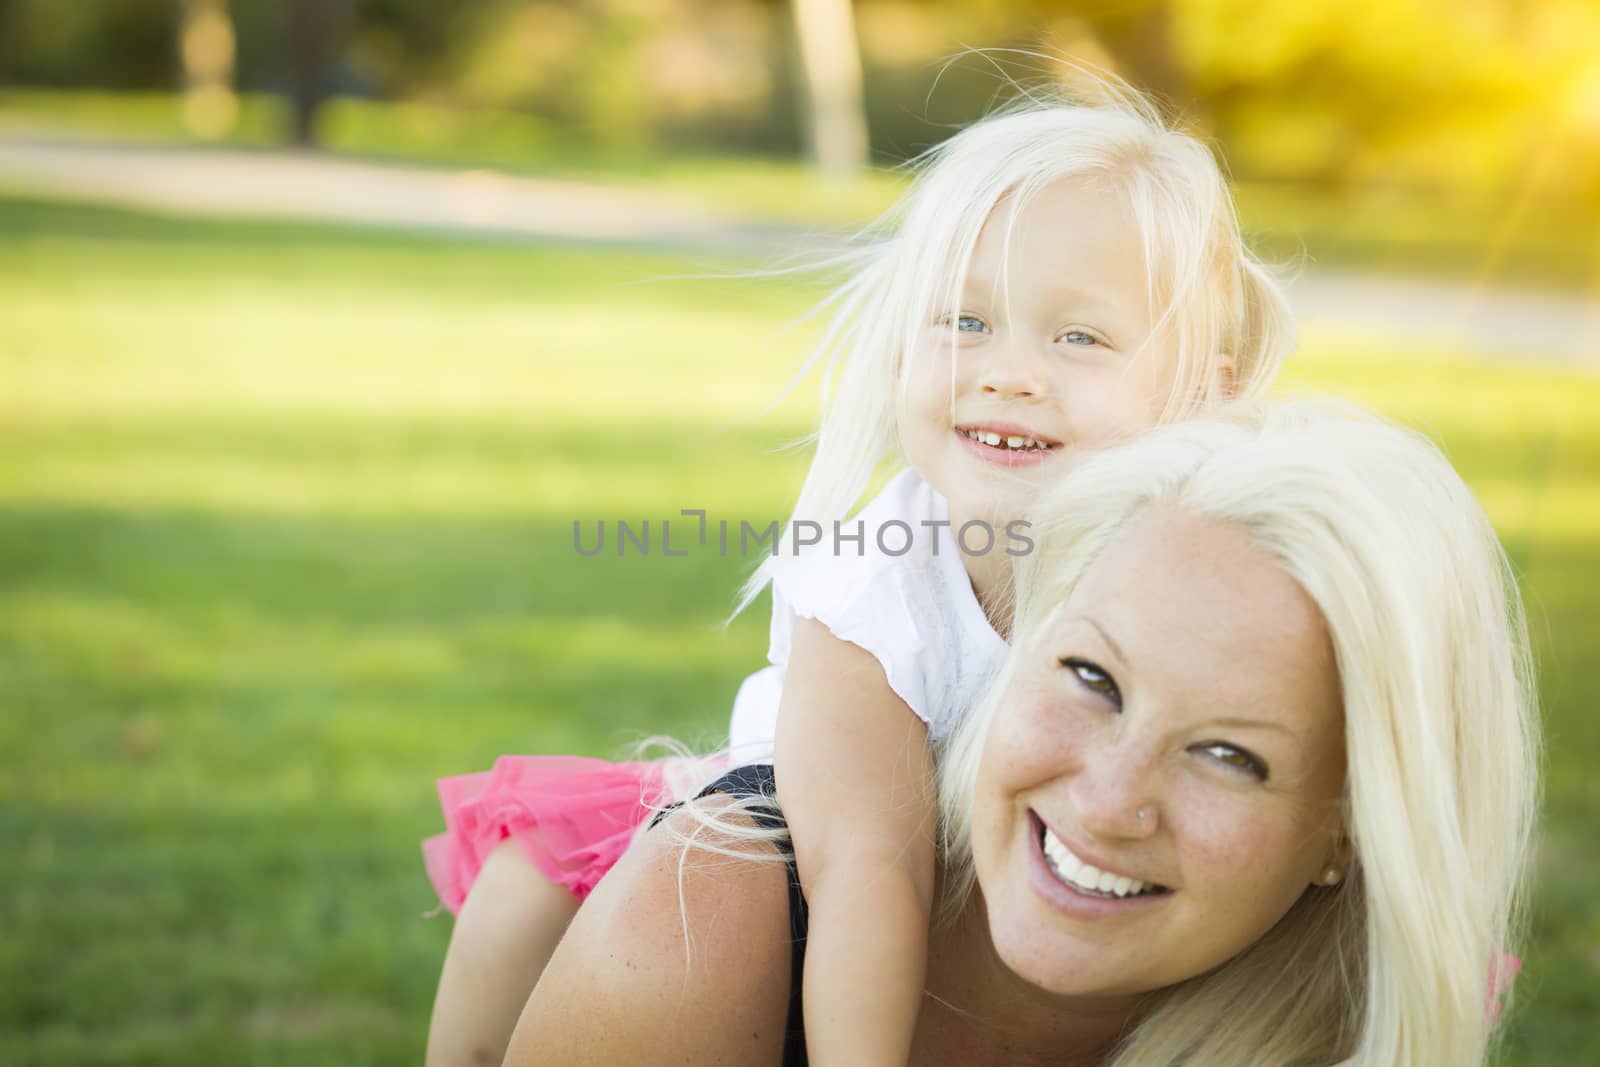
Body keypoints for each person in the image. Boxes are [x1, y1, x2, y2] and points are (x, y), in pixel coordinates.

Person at [423, 76, 1296, 1067]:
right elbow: (863, 868)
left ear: (1202, 393)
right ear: (896, 355)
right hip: (804, 844)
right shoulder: (871, 577)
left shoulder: (1200, 571)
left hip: (1001, 887)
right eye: (962, 322)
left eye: (1077, 336)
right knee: (524, 886)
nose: (1007, 371)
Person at [505, 401, 1539, 1066]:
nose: (1103, 800)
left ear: (1347, 832)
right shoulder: (720, 918)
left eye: (1230, 754)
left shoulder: (1345, 1036)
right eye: (1091, 677)